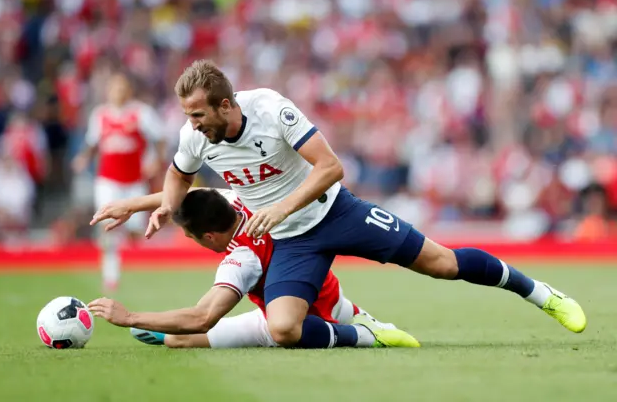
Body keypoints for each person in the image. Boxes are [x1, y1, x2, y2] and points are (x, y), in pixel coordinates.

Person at [93, 60, 586, 350]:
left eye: (199, 114)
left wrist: (282, 208)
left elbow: (330, 166)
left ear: (226, 105)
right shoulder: (194, 136)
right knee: (284, 329)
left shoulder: (269, 108)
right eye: (187, 116)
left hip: (334, 211)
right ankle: (366, 334)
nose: (193, 124)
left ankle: (541, 294)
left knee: (442, 263)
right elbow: (179, 177)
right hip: (287, 240)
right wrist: (152, 205)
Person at [88, 188, 420, 349]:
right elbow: (189, 193)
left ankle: (360, 334)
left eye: (192, 236)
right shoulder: (240, 200)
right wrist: (132, 205)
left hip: (298, 319)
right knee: (172, 334)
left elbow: (202, 317)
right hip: (325, 291)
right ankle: (354, 315)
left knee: (179, 338)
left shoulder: (240, 259)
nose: (191, 240)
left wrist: (129, 317)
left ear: (210, 236)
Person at [72, 72, 167, 293]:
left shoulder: (141, 113)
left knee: (136, 232)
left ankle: (139, 269)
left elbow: (161, 138)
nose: (118, 92)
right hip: (108, 181)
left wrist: (156, 162)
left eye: (122, 87)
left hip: (134, 182)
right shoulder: (100, 115)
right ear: (108, 91)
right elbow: (92, 143)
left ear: (129, 90)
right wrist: (83, 158)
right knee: (108, 227)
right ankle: (110, 275)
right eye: (114, 88)